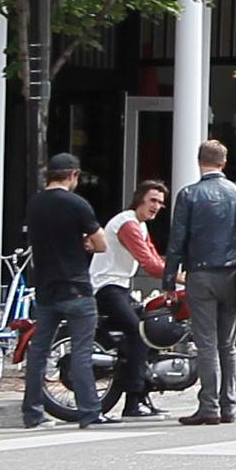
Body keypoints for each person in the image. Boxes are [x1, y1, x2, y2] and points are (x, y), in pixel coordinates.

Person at [172, 139, 236, 426]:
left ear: (199, 161)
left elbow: (177, 239)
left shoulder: (189, 195)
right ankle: (228, 405)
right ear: (224, 162)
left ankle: (209, 406)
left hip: (201, 274)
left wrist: (170, 274)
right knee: (227, 344)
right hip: (232, 273)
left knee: (206, 343)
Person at [18, 153, 106, 429]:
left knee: (39, 351)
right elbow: (101, 243)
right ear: (73, 175)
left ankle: (32, 412)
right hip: (76, 287)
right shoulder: (77, 204)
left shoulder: (35, 204)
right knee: (81, 351)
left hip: (46, 289)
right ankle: (90, 411)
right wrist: (85, 242)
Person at [92, 178, 172, 420]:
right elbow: (149, 264)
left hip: (121, 288)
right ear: (140, 199)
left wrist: (175, 270)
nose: (156, 206)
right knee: (139, 334)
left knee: (152, 329)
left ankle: (142, 394)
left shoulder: (140, 225)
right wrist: (182, 277)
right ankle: (133, 403)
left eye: (160, 203)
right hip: (107, 288)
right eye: (153, 200)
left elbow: (155, 258)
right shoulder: (127, 224)